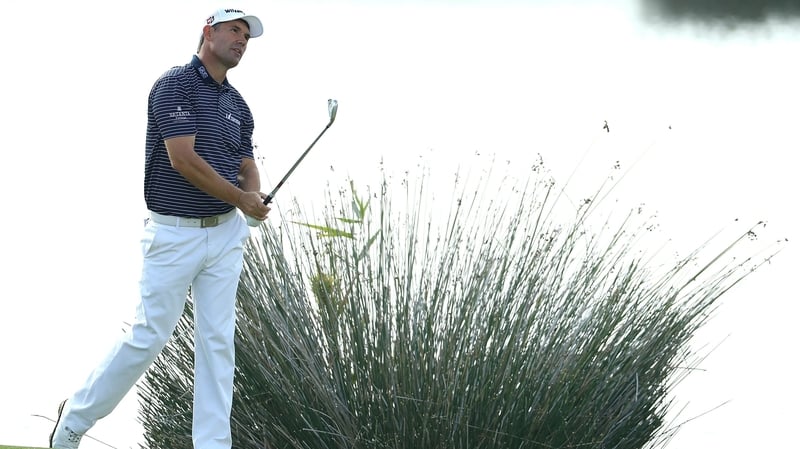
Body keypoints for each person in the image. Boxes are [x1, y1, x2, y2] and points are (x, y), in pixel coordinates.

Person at [49, 7, 270, 449]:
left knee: (217, 344)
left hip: (226, 233)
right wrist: (240, 198)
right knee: (148, 336)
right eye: (234, 30)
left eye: (247, 35)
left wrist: (253, 200)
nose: (242, 40)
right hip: (174, 233)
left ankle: (212, 445)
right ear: (208, 32)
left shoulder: (238, 105)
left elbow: (245, 162)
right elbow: (182, 159)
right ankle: (74, 420)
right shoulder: (175, 84)